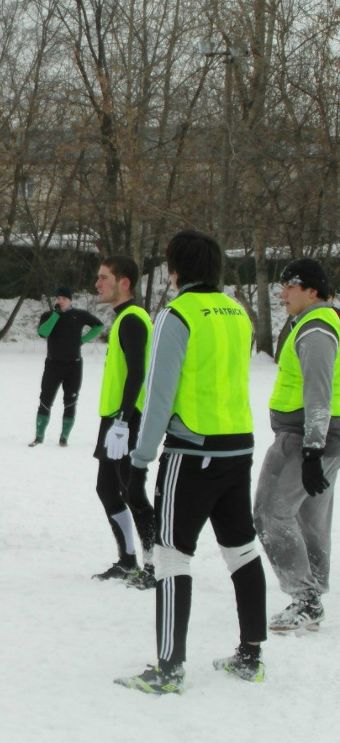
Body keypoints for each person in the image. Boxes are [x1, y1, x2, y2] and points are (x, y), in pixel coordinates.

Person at [116, 230, 266, 694]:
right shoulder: (238, 313)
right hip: (238, 446)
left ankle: (168, 667)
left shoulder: (177, 315)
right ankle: (250, 655)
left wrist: (140, 461)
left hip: (192, 451)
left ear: (175, 269)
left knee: (170, 554)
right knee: (241, 549)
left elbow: (159, 397)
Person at [253, 258, 339, 633]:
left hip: (305, 438)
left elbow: (318, 393)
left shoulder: (316, 330)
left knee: (270, 513)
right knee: (310, 517)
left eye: (290, 286)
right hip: (324, 438)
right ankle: (313, 593)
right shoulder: (321, 323)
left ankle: (304, 599)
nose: (283, 293)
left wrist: (311, 450)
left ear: (312, 290)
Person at [91, 256, 155, 589]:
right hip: (115, 418)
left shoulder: (132, 319)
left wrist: (123, 420)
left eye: (104, 278)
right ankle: (128, 559)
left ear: (124, 282)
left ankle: (154, 565)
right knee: (106, 488)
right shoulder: (122, 319)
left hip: (127, 419)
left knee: (133, 492)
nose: (97, 284)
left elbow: (138, 373)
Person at [29, 285, 103, 447]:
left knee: (70, 401)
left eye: (64, 298)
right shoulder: (48, 315)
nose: (60, 301)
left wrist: (83, 340)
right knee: (45, 399)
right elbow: (43, 333)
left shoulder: (79, 315)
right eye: (58, 298)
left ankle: (64, 437)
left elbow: (99, 326)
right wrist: (55, 316)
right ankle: (39, 436)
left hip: (73, 366)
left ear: (70, 300)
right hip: (53, 365)